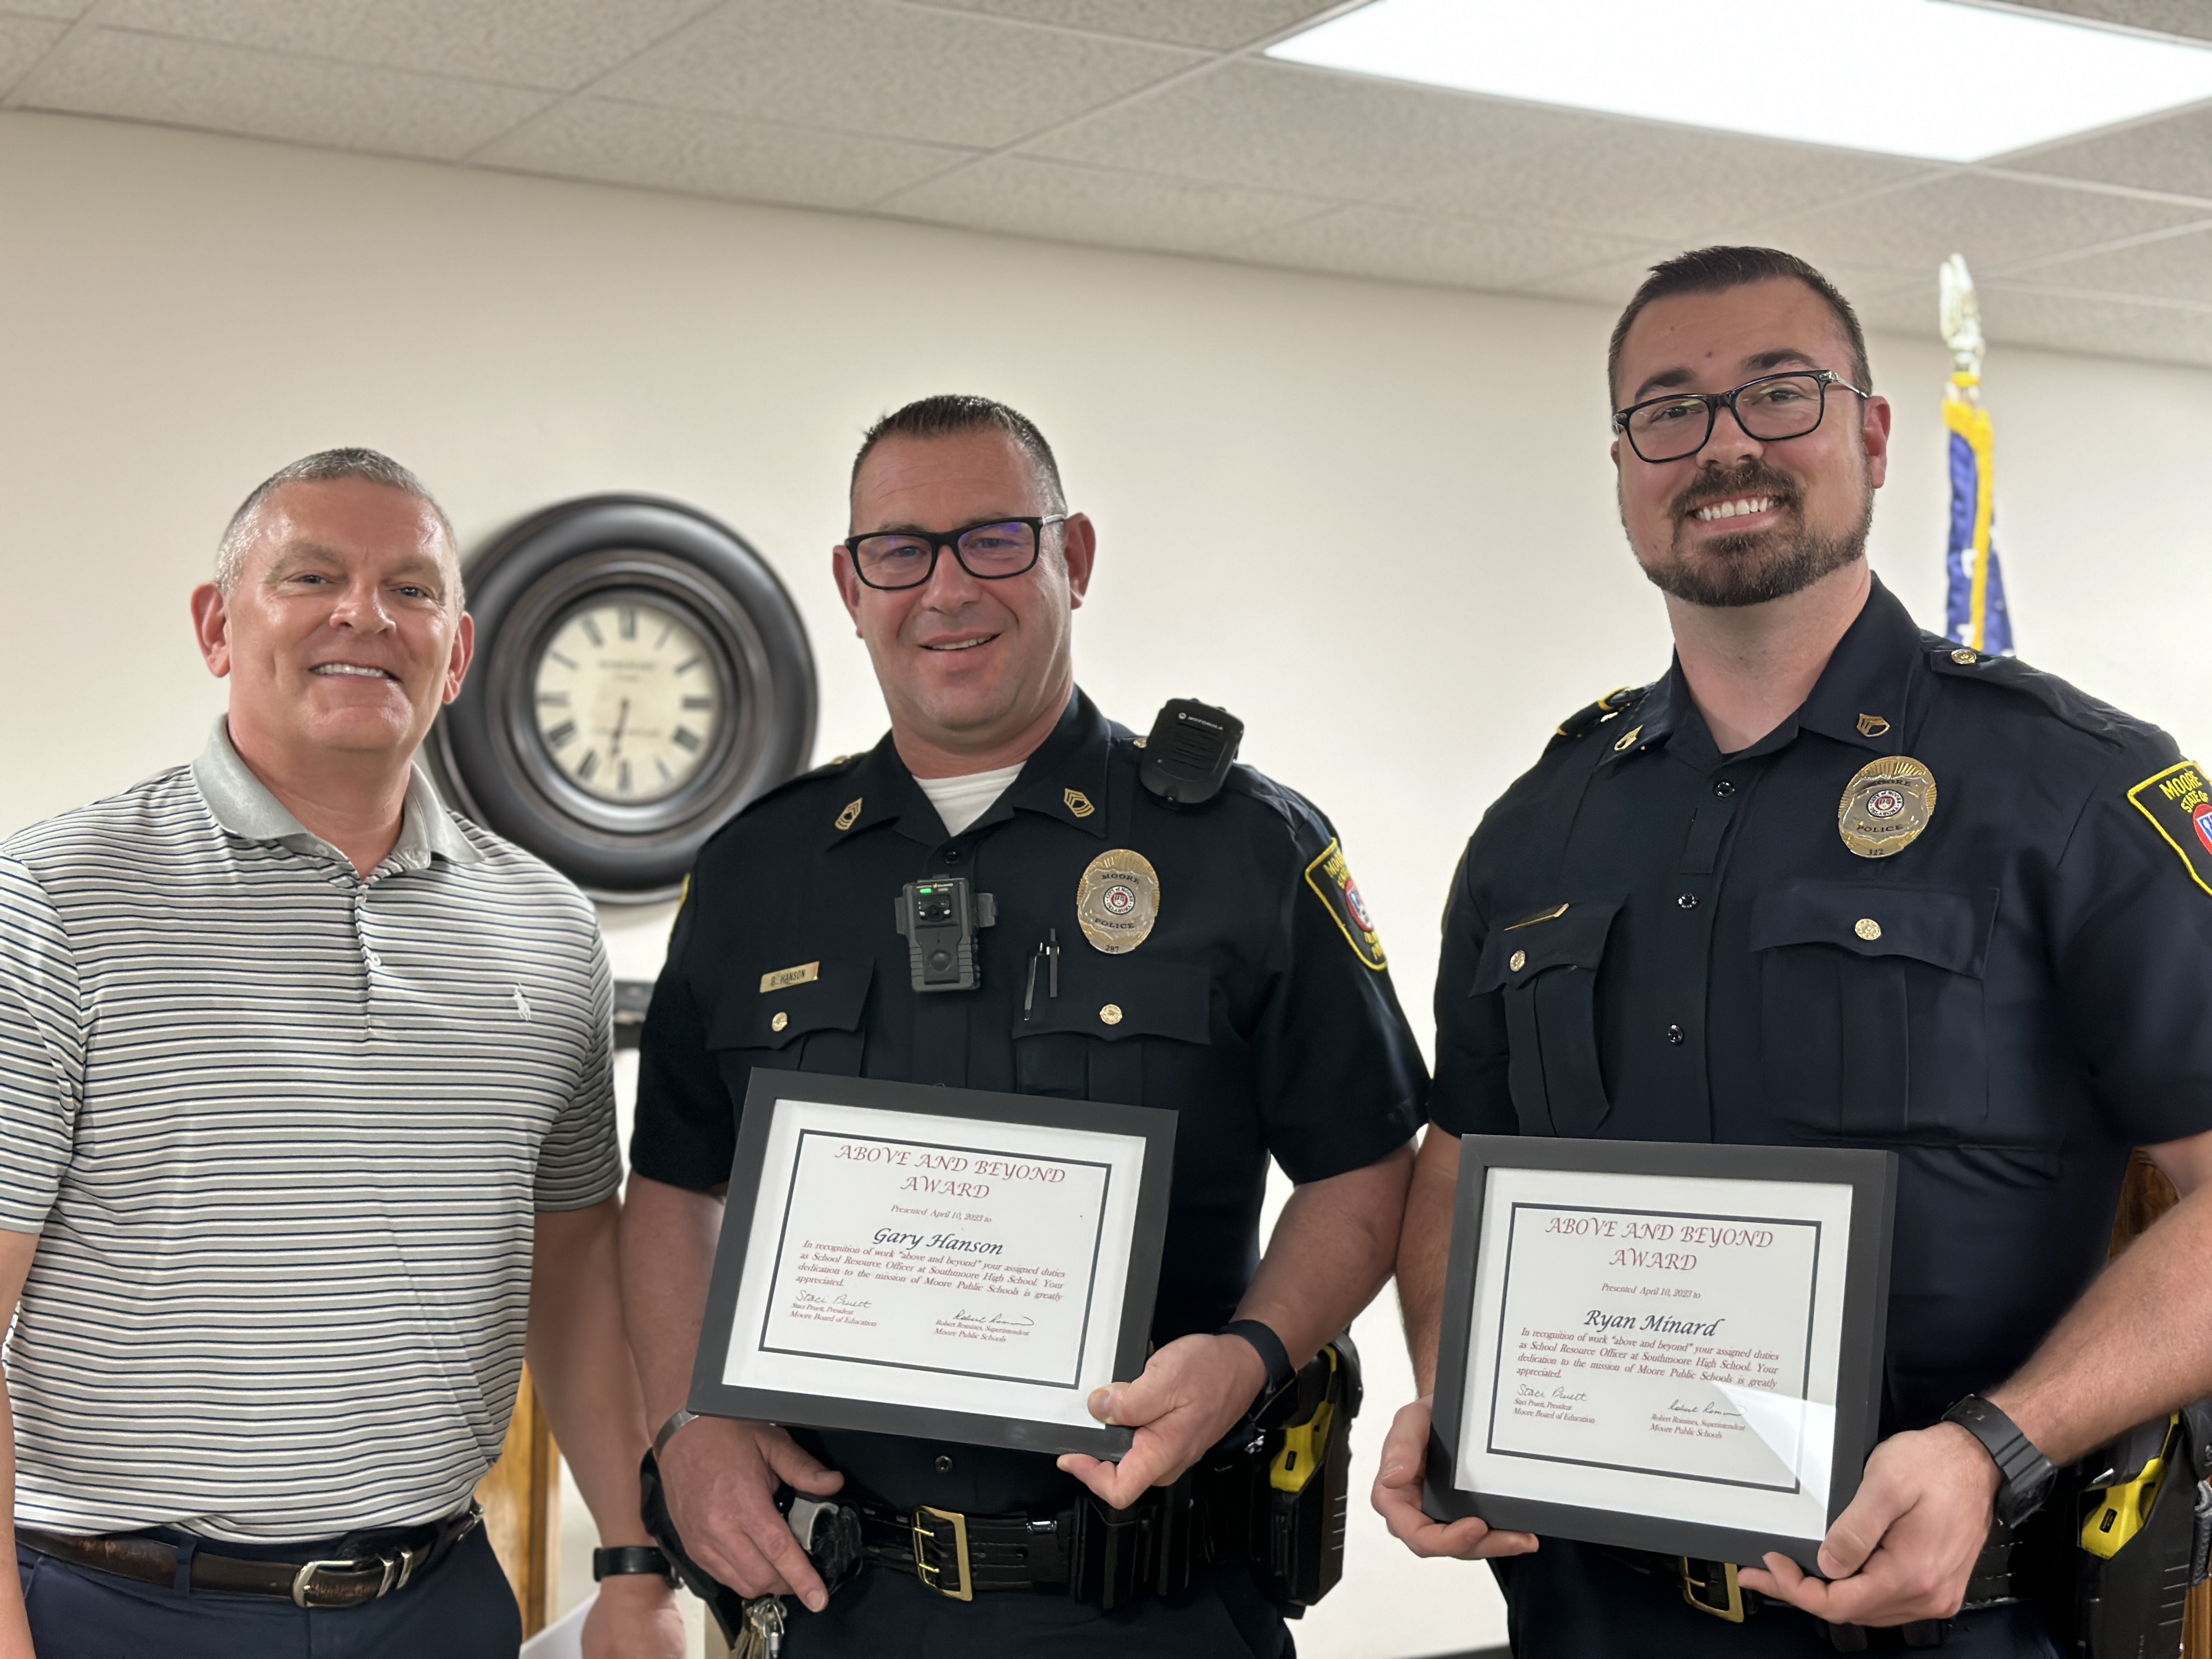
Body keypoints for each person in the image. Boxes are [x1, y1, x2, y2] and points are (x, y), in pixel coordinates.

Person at [1372, 246, 2212, 1656]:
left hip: (1951, 1625)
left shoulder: (2073, 791)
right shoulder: (1540, 827)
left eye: (1779, 394)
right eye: (1670, 411)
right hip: (1593, 1620)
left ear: (1872, 437)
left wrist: (1998, 1444)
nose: (1725, 447)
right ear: (1625, 468)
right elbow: (1461, 1159)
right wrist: (1466, 1395)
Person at [620, 394, 1425, 1656]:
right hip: (842, 1604)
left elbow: (1366, 1162)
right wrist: (688, 1421)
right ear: (851, 584)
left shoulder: (1245, 850)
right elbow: (675, 1185)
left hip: (1155, 1603)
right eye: (901, 551)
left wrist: (1251, 1356)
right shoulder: (756, 873)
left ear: (1074, 557)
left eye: (995, 540)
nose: (947, 589)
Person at [0, 450, 684, 1658]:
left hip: (438, 1602)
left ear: (455, 655)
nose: (365, 615)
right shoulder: (55, 899)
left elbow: (575, 1261)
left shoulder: (548, 925)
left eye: (411, 590)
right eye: (311, 576)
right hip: (119, 1608)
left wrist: (635, 1566)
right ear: (218, 626)